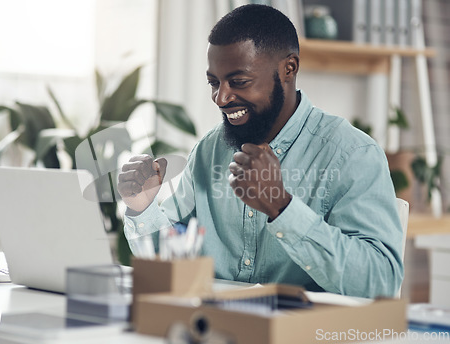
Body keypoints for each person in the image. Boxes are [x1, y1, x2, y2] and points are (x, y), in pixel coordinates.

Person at [117, 4, 403, 298]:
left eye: (239, 82)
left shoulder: (353, 154)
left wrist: (282, 207)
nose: (221, 97)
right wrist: (142, 207)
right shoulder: (209, 150)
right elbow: (173, 263)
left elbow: (381, 282)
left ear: (288, 69)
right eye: (214, 83)